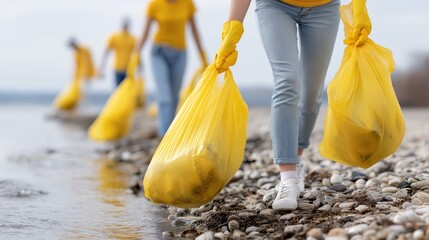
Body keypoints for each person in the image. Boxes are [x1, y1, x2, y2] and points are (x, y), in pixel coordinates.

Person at [215, 0, 371, 210]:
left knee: (311, 95)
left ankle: (296, 157)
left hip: (323, 8)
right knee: (287, 80)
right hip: (275, 6)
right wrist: (232, 27)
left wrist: (359, 7)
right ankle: (288, 178)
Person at [135, 0, 208, 136]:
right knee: (165, 97)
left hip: (180, 55)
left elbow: (194, 31)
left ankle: (170, 130)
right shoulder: (154, 4)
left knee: (174, 97)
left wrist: (202, 56)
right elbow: (144, 32)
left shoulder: (187, 4)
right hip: (159, 53)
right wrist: (136, 54)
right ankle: (165, 136)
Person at [98, 19, 136, 87]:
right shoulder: (115, 37)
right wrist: (101, 67)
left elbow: (137, 53)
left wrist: (139, 68)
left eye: (126, 25)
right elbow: (106, 52)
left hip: (129, 69)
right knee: (117, 90)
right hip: (117, 68)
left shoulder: (132, 39)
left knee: (128, 90)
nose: (125, 27)